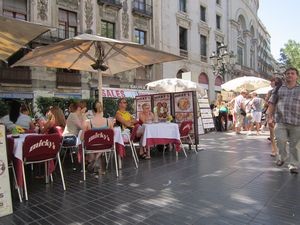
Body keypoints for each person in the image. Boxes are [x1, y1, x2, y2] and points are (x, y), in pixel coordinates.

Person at [268, 67, 300, 174]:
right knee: (280, 140)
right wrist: (270, 117)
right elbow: (272, 103)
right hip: (281, 121)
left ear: (297, 76)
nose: (290, 75)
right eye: (288, 73)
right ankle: (282, 157)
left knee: (295, 145)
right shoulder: (278, 89)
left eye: (292, 73)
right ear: (285, 76)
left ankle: (293, 164)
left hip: (297, 122)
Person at [82, 101, 114, 174]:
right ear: (102, 109)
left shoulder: (87, 122)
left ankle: (94, 160)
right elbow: (112, 135)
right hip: (105, 146)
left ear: (93, 111)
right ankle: (96, 161)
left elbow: (82, 137)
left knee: (91, 144)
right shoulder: (109, 121)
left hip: (92, 147)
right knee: (102, 143)